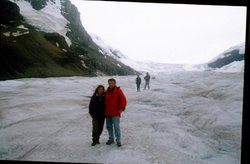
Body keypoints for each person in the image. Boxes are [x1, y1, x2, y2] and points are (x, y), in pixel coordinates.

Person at [105, 78, 127, 147]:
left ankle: (118, 140)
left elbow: (124, 100)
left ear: (115, 83)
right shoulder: (107, 91)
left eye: (112, 83)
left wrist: (121, 108)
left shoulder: (118, 91)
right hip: (108, 113)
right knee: (109, 126)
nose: (111, 84)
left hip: (115, 113)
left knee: (116, 127)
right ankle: (111, 139)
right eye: (109, 83)